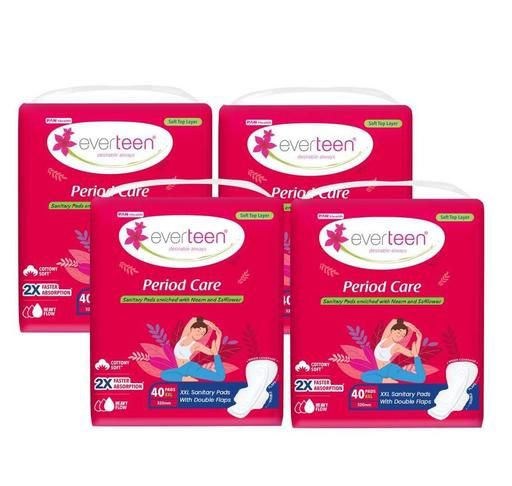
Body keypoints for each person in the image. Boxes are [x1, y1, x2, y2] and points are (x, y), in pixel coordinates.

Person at [161, 316, 226, 382]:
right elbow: (193, 319)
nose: (199, 334)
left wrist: (219, 336)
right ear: (192, 329)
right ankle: (186, 379)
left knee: (219, 377)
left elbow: (212, 352)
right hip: (182, 369)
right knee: (164, 374)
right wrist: (207, 323)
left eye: (202, 333)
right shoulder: (184, 336)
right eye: (198, 330)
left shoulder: (196, 345)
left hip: (191, 368)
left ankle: (187, 379)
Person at [361, 318, 426, 384]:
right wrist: (407, 324)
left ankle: (386, 381)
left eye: (402, 335)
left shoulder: (396, 346)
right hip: (383, 371)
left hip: (391, 371)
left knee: (419, 379)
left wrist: (419, 339)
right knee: (364, 376)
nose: (399, 336)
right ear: (392, 330)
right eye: (399, 332)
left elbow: (412, 353)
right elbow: (393, 321)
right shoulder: (384, 338)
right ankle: (386, 381)